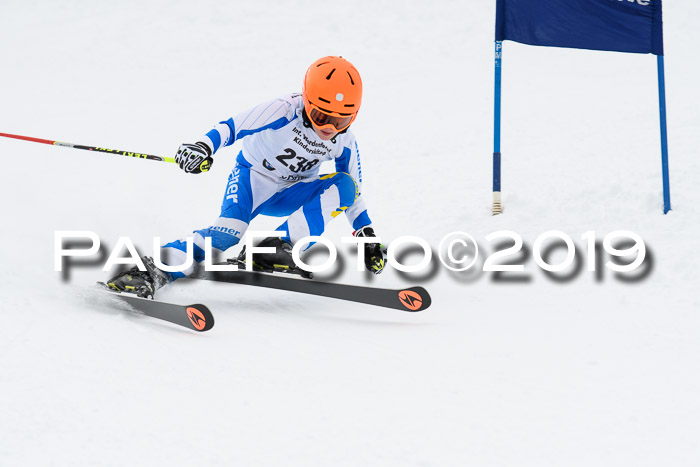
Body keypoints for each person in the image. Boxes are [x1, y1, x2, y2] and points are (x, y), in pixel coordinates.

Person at [106, 56, 386, 299]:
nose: (328, 127)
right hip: (253, 181)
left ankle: (278, 248)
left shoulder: (344, 142)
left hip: (293, 191)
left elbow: (354, 193)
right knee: (226, 237)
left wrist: (367, 235)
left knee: (345, 185)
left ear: (354, 115)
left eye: (341, 121)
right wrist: (203, 146)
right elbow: (233, 127)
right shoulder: (285, 110)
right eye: (320, 115)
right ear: (307, 100)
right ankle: (151, 271)